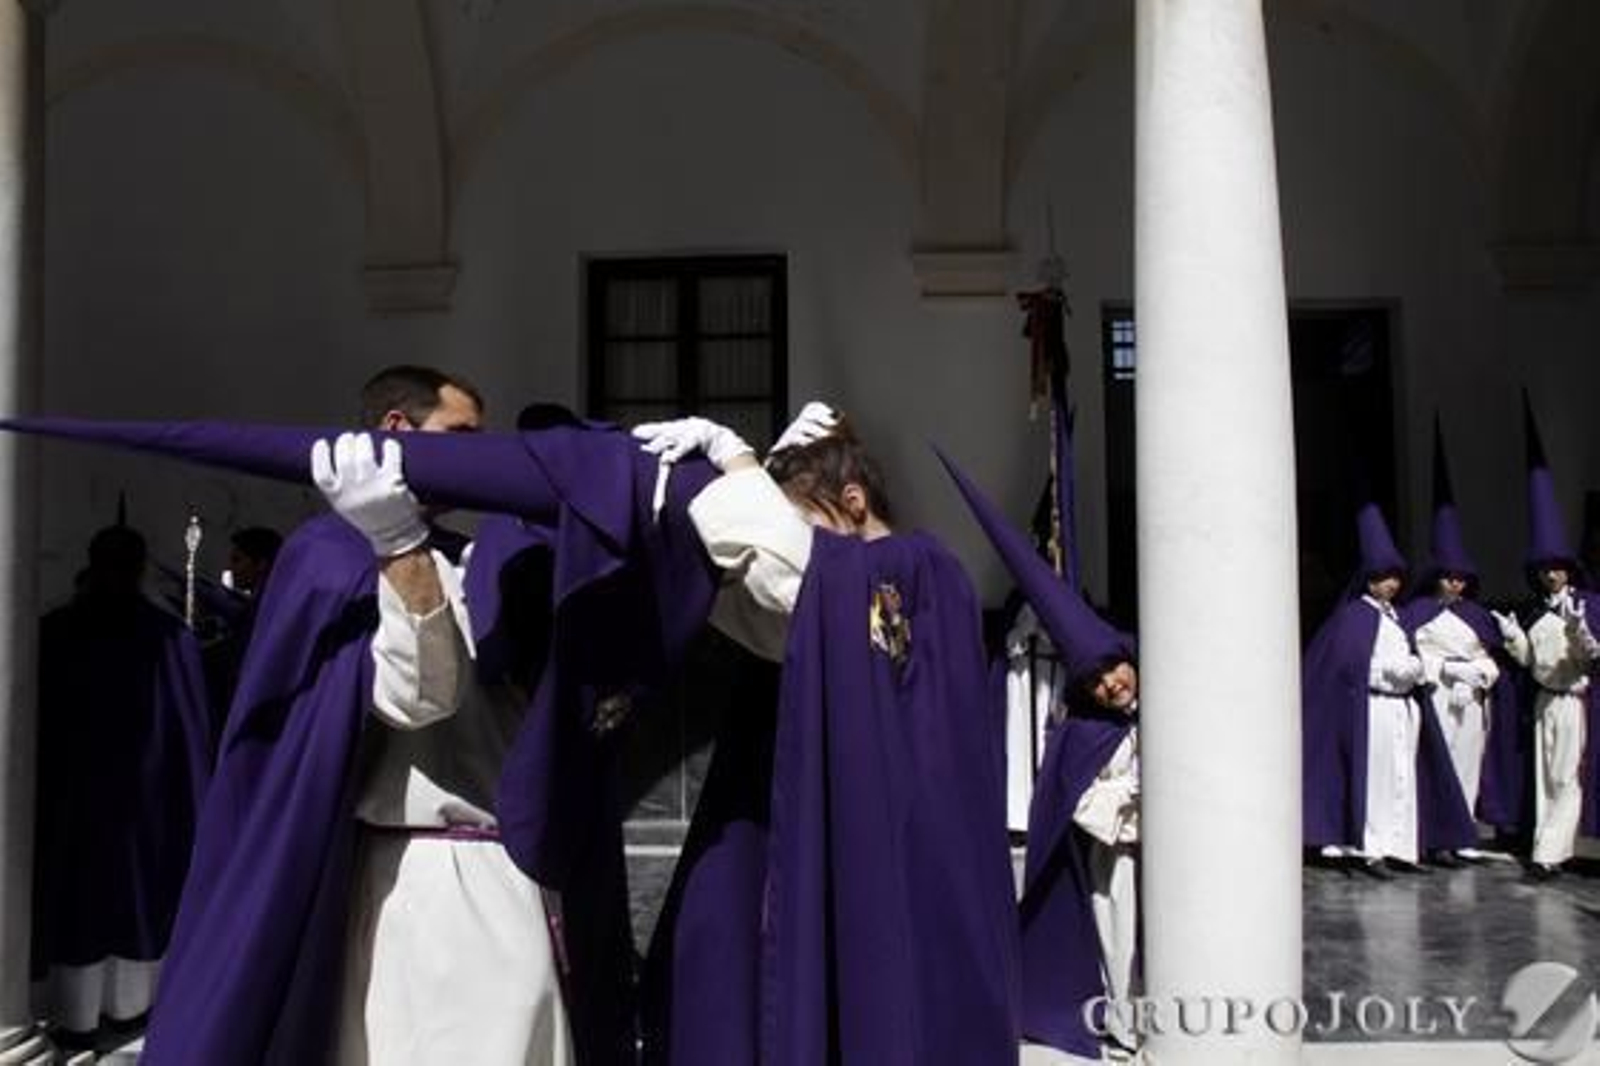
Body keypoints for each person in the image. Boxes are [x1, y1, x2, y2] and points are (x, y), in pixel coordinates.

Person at [142, 366, 580, 1065]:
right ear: (398, 429)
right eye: (461, 433)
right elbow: (417, 696)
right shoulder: (327, 557)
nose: (479, 453)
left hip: (507, 863)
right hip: (423, 880)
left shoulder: (466, 553)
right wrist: (398, 546)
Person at [634, 404, 1020, 1066]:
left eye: (807, 519)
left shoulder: (910, 567)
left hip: (904, 830)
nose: (807, 541)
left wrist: (737, 459)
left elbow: (795, 571)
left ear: (853, 501)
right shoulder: (904, 578)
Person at [939, 453, 1139, 1062]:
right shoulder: (1081, 718)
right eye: (1098, 680)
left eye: (1114, 672)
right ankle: (1119, 1012)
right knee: (1113, 916)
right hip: (1104, 828)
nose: (1111, 684)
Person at [32, 521, 213, 1048]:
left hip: (91, 801)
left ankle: (87, 1015)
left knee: (91, 903)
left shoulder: (59, 630)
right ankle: (112, 1012)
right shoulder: (164, 637)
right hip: (125, 801)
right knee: (113, 903)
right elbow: (194, 734)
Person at [1302, 502, 1475, 879]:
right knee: (1377, 780)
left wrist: (1416, 670)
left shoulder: (1397, 616)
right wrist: (1392, 672)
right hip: (1375, 707)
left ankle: (1401, 847)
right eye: (1384, 577)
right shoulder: (1353, 617)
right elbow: (1351, 668)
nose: (1392, 584)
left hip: (1404, 706)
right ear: (1369, 580)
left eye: (1396, 577)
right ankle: (1372, 849)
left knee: (1403, 776)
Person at [1490, 396, 1600, 881]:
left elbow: (1592, 656)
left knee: (1566, 775)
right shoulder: (1535, 612)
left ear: (1569, 570)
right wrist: (1514, 638)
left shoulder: (1588, 605)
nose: (1552, 575)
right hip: (1543, 698)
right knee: (1544, 774)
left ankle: (1549, 855)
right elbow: (1529, 659)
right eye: (1545, 569)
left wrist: (1579, 630)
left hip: (1573, 698)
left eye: (1558, 568)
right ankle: (1548, 845)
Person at [1400, 426, 1518, 861]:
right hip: (1436, 696)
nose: (1455, 584)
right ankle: (1436, 838)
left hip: (1471, 700)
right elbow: (1410, 654)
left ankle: (1464, 833)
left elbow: (1492, 658)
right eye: (1449, 577)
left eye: (1461, 578)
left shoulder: (1477, 615)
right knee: (1439, 762)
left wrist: (1478, 673)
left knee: (1469, 762)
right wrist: (1446, 669)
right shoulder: (1416, 612)